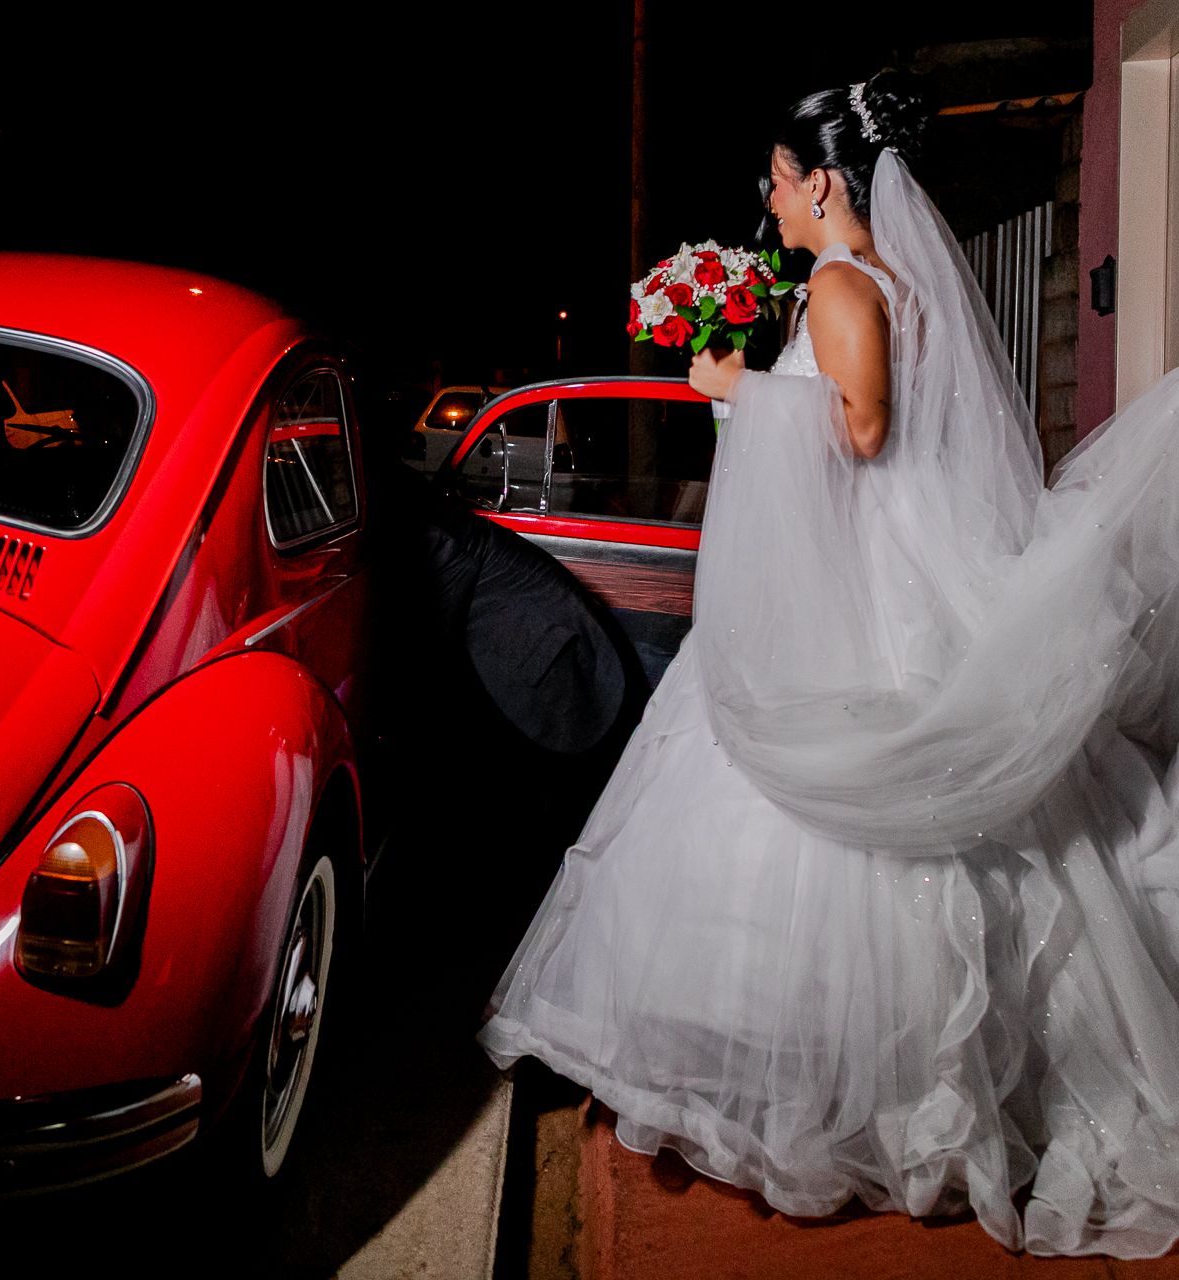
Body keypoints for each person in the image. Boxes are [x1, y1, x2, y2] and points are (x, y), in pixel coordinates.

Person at [480, 71, 1179, 1259]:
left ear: (825, 183)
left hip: (862, 609)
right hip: (869, 577)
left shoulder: (849, 285)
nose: (770, 198)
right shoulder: (875, 283)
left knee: (825, 810)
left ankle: (861, 1091)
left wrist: (737, 386)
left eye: (779, 179)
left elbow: (860, 430)